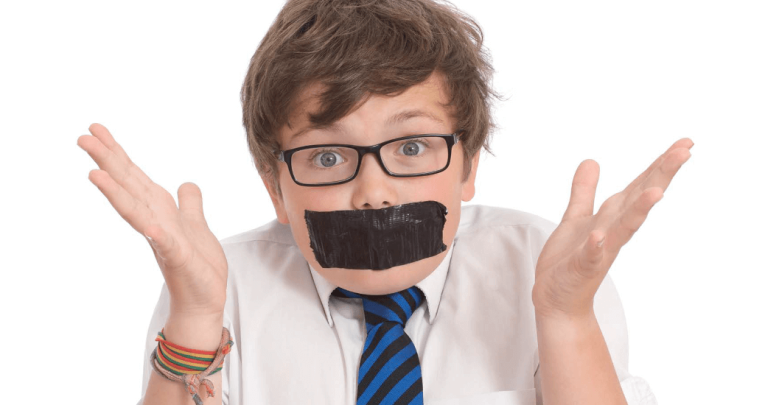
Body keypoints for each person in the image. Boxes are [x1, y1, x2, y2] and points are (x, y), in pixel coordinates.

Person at [77, 0, 692, 404]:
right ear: (275, 187)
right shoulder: (219, 284)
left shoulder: (551, 272)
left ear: (469, 165)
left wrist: (565, 319)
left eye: (413, 148)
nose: (373, 193)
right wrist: (194, 317)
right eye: (326, 157)